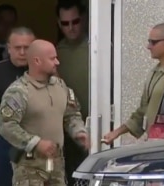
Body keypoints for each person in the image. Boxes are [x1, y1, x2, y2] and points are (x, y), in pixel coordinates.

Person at [0, 39, 90, 186]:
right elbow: (6, 126)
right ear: (37, 61)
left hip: (56, 164)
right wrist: (36, 143)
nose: (57, 62)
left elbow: (71, 114)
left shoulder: (60, 86)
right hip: (29, 168)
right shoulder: (19, 92)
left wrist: (79, 132)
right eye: (52, 58)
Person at [103, 22, 164, 144]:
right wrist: (116, 132)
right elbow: (143, 110)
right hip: (153, 140)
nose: (148, 46)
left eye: (153, 42)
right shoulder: (155, 72)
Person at [0, 27, 36, 186]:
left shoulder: (46, 71)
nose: (23, 52)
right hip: (6, 146)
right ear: (9, 48)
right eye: (18, 48)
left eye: (27, 48)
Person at [56, 1, 89, 185]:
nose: (70, 28)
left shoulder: (99, 49)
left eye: (75, 22)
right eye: (65, 23)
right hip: (66, 131)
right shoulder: (55, 53)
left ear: (83, 19)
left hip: (96, 128)